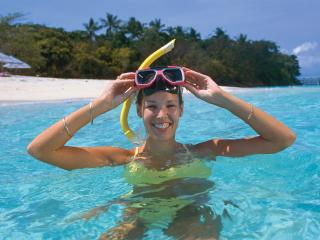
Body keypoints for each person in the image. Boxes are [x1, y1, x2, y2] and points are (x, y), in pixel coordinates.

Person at [27, 67, 296, 239]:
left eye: (170, 105)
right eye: (152, 106)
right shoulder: (120, 158)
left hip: (192, 215)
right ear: (139, 111)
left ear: (181, 110)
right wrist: (100, 105)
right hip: (137, 216)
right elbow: (40, 150)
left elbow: (282, 139)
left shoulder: (206, 150)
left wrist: (222, 98)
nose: (162, 115)